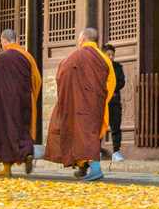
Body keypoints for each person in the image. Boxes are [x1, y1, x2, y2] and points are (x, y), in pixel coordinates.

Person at [44, 27, 114, 182]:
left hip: (76, 106)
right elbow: (111, 83)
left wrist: (71, 99)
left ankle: (95, 169)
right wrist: (100, 101)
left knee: (81, 135)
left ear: (83, 39)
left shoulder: (72, 57)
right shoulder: (105, 59)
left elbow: (61, 76)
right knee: (91, 135)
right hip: (97, 105)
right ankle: (83, 168)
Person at [0, 28, 42, 177]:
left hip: (3, 104)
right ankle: (27, 153)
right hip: (24, 101)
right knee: (23, 129)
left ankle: (7, 168)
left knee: (4, 132)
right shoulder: (27, 56)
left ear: (4, 41)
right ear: (16, 40)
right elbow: (37, 79)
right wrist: (32, 97)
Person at [103, 44, 126, 162]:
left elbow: (121, 82)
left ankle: (116, 151)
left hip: (114, 100)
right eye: (108, 55)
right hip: (102, 101)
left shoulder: (117, 67)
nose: (111, 57)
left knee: (116, 126)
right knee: (98, 127)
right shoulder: (99, 67)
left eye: (113, 55)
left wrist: (111, 87)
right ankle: (97, 150)